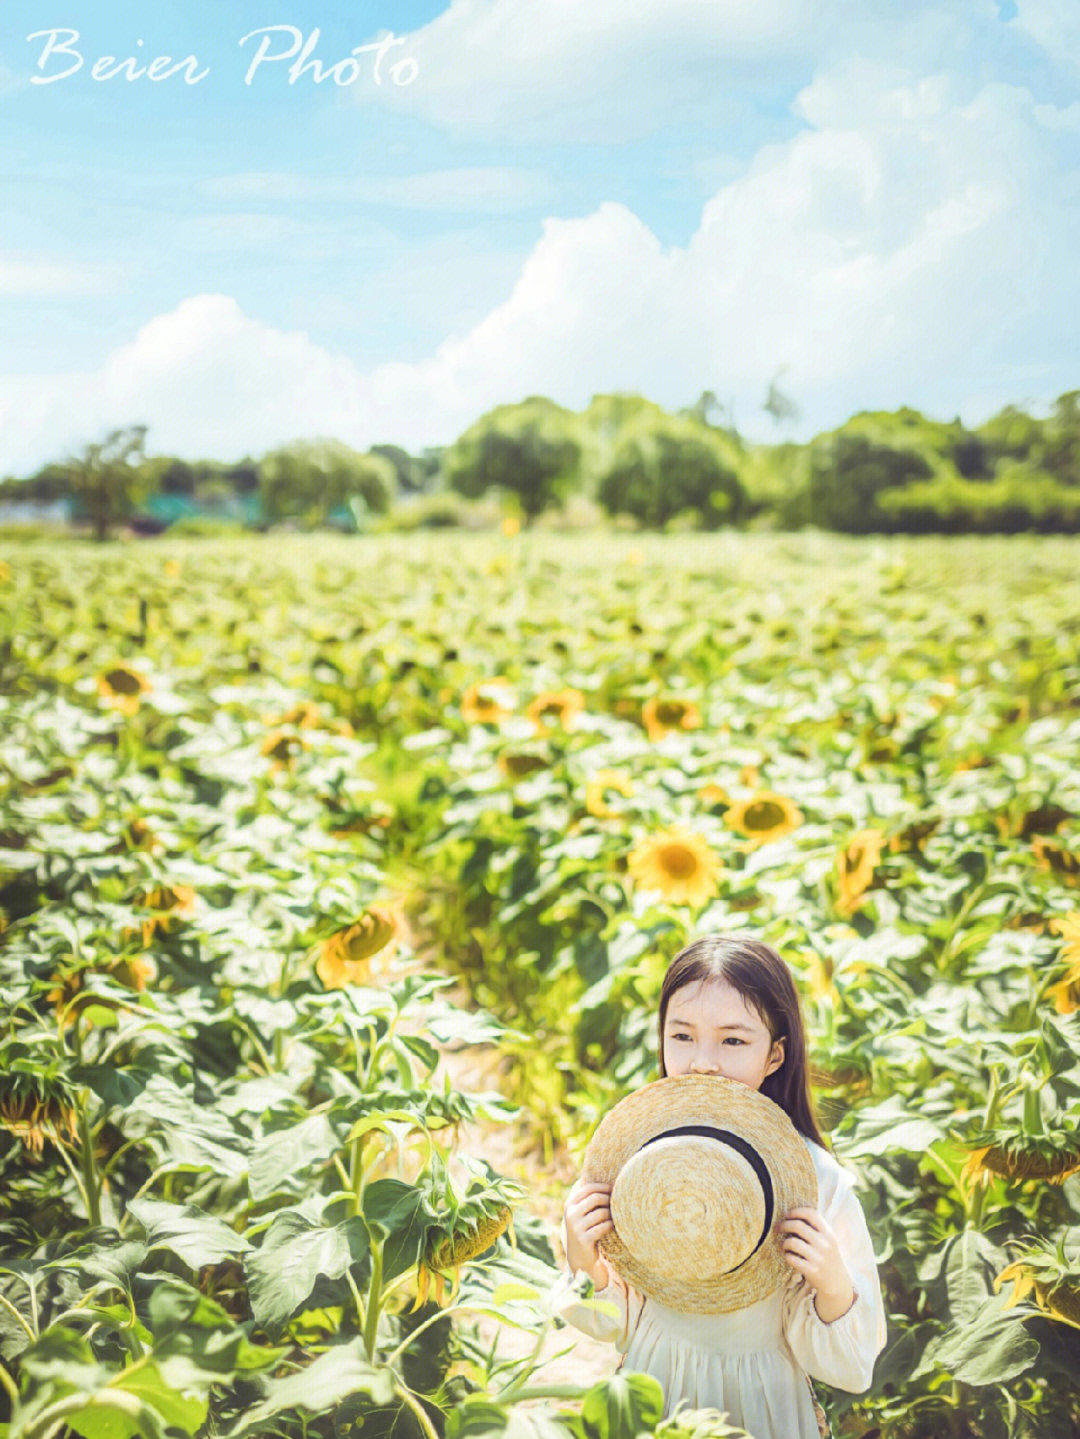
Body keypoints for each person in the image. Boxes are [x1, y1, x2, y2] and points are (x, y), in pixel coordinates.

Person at [555, 934, 887, 1439]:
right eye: (682, 1036)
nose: (702, 1061)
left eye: (732, 1040)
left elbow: (849, 1367)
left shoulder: (813, 1180)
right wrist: (586, 1258)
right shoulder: (634, 1155)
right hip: (657, 1381)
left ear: (774, 1056)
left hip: (762, 1401)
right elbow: (617, 1324)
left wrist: (833, 1283)